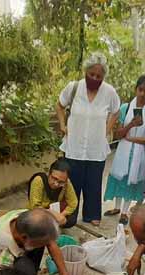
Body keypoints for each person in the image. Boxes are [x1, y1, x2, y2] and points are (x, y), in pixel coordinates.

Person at [56, 52, 121, 226]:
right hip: (74, 146)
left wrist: (107, 130)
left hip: (95, 148)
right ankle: (68, 216)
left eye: (98, 76)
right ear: (86, 71)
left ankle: (92, 214)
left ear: (103, 77)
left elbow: (116, 111)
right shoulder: (74, 87)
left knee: (93, 183)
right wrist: (63, 125)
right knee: (71, 184)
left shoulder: (109, 92)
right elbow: (60, 105)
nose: (94, 78)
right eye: (91, 74)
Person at [104, 75, 145, 225]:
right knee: (119, 177)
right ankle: (116, 207)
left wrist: (133, 139)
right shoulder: (125, 108)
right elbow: (118, 134)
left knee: (131, 180)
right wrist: (131, 125)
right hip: (123, 151)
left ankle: (124, 212)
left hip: (139, 153)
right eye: (140, 90)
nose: (142, 94)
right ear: (136, 89)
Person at [27, 158, 78, 229]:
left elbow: (73, 202)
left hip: (55, 210)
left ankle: (54, 227)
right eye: (54, 178)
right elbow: (35, 207)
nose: (56, 184)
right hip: (40, 212)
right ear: (49, 173)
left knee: (72, 219)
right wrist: (52, 214)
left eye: (61, 182)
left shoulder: (66, 183)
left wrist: (62, 215)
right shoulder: (38, 181)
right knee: (37, 224)